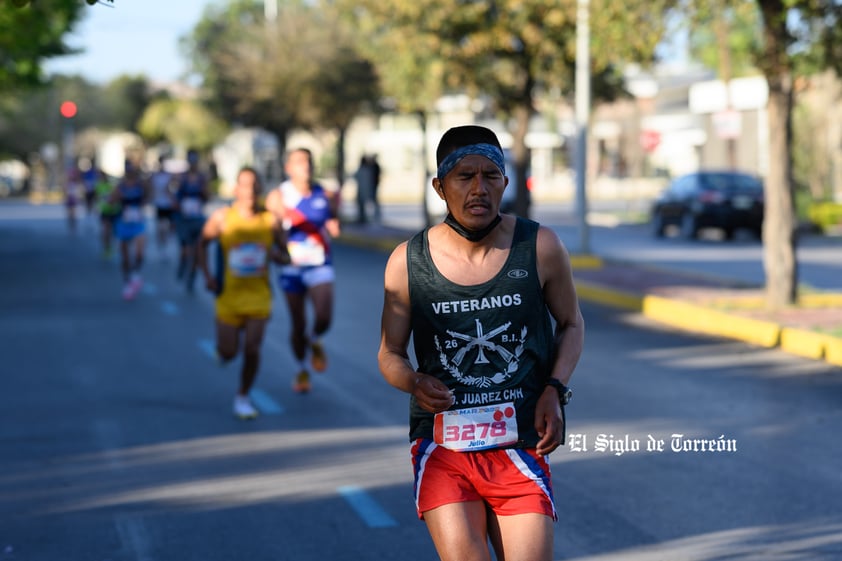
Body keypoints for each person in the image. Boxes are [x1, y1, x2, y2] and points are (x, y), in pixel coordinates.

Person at [377, 125, 584, 561]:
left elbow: (571, 324)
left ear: (506, 183)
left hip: (519, 443)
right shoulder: (407, 263)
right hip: (444, 446)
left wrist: (555, 389)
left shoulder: (540, 246)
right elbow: (389, 353)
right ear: (439, 186)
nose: (479, 188)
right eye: (464, 176)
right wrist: (414, 382)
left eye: (491, 175)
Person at [198, 167, 289, 419]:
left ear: (259, 189)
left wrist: (275, 255)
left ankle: (243, 395)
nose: (250, 191)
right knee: (229, 352)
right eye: (245, 185)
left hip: (259, 297)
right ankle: (224, 352)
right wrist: (207, 276)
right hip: (229, 297)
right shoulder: (222, 218)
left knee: (252, 349)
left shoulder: (270, 221)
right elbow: (202, 244)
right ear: (236, 189)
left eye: (254, 185)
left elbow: (286, 256)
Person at [265, 148, 340, 394]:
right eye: (299, 162)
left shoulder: (325, 194)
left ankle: (315, 338)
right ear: (289, 168)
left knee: (324, 317)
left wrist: (333, 224)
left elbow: (333, 220)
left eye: (308, 162)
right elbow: (268, 233)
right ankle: (301, 368)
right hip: (292, 268)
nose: (305, 166)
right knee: (297, 323)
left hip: (319, 263)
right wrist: (276, 253)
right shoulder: (278, 197)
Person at [109, 160, 150, 300]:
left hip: (138, 222)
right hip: (124, 223)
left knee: (140, 253)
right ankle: (127, 281)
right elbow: (111, 201)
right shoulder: (120, 186)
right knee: (125, 256)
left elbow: (149, 195)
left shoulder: (141, 184)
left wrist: (144, 202)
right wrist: (115, 198)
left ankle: (135, 274)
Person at [174, 149, 211, 292]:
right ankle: (182, 265)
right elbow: (172, 192)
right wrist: (175, 203)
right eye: (191, 161)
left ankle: (192, 277)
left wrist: (203, 190)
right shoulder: (181, 178)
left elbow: (208, 197)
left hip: (197, 219)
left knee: (197, 251)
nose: (193, 164)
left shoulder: (202, 178)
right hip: (184, 219)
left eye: (195, 161)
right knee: (185, 251)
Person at [150, 155, 176, 260]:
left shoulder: (169, 176)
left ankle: (164, 244)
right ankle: (162, 247)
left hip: (168, 204)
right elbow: (151, 189)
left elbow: (172, 188)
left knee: (168, 226)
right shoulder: (154, 176)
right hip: (159, 204)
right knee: (161, 227)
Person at [95, 169, 120, 259]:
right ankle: (107, 248)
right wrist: (97, 207)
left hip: (113, 211)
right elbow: (98, 198)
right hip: (104, 211)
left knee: (114, 230)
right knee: (105, 231)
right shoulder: (98, 186)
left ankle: (116, 245)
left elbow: (116, 197)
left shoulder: (111, 186)